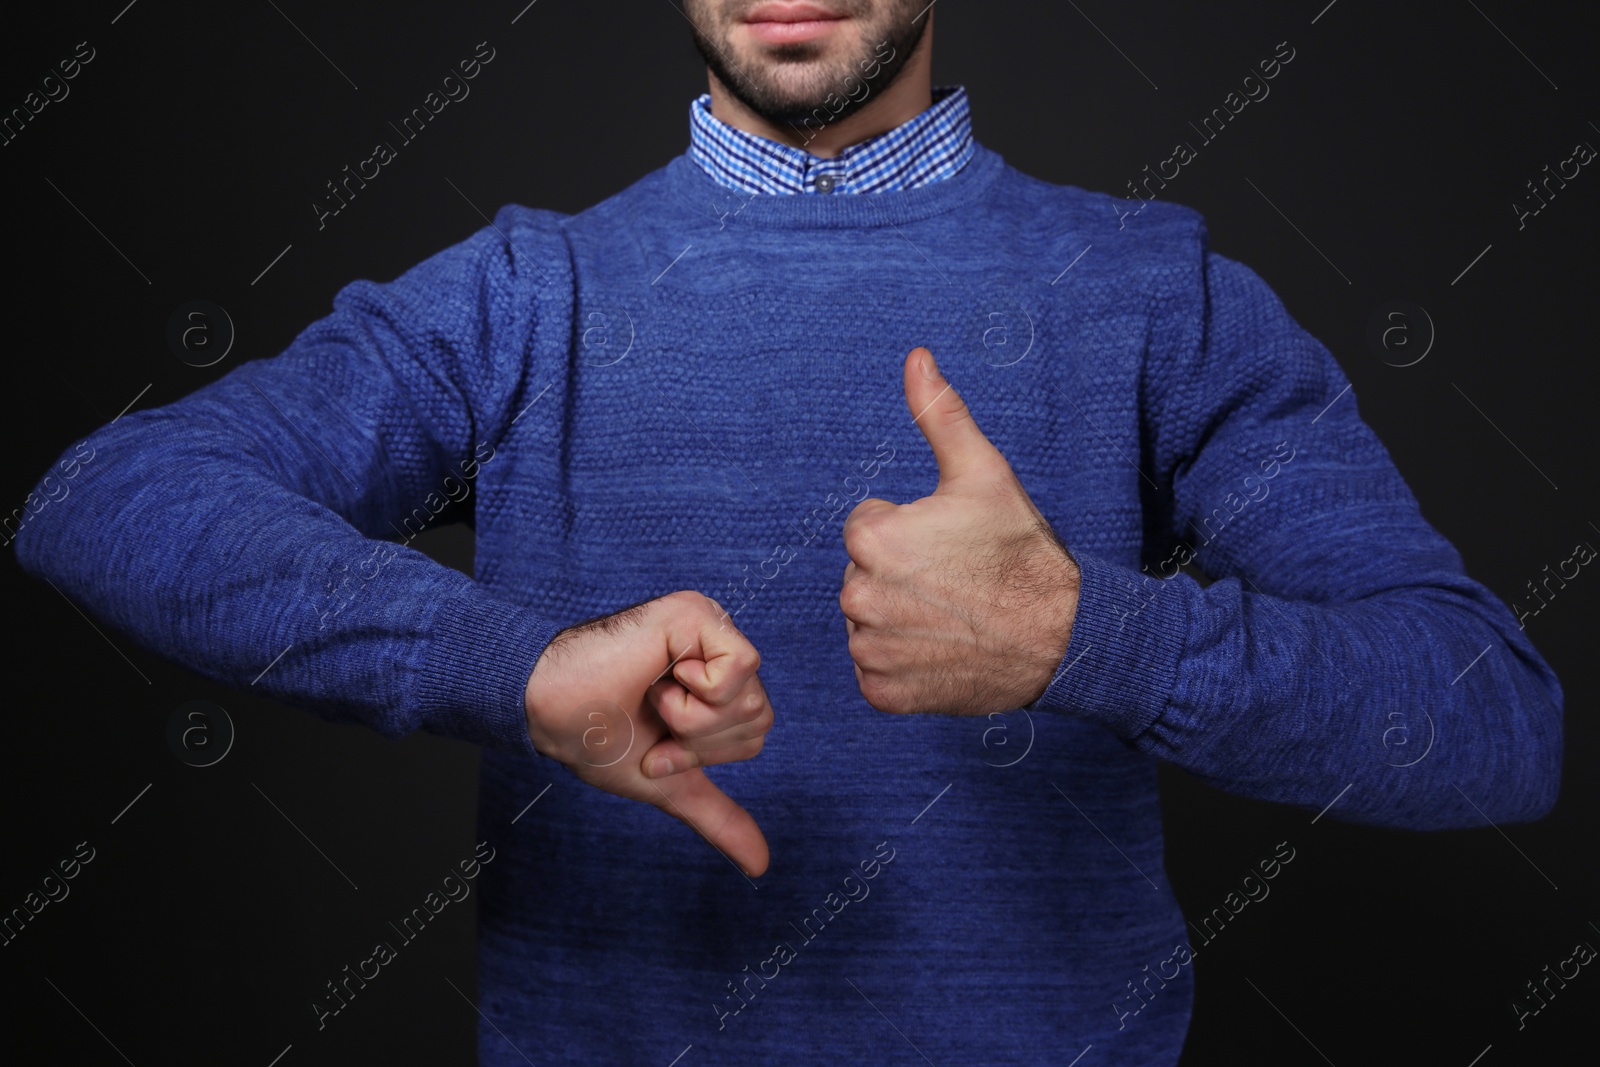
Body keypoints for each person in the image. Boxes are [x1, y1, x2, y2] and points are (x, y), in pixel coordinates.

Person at [14, 1, 1563, 1063]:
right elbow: (105, 500)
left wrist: (1083, 636)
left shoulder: (1155, 293)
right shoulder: (521, 296)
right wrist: (520, 666)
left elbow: (1490, 716)